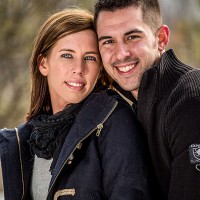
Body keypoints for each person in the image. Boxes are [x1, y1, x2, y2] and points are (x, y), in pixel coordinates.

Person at [0, 8, 152, 200]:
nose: (79, 69)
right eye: (67, 55)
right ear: (43, 63)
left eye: (89, 58)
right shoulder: (23, 140)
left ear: (100, 68)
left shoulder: (115, 122)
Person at [94, 0, 200, 199]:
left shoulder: (191, 101)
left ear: (161, 38)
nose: (121, 54)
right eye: (108, 41)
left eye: (132, 37)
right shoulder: (121, 108)